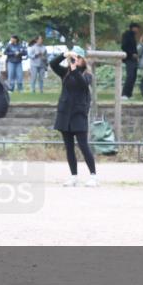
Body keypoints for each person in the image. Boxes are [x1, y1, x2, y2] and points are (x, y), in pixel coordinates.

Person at [49, 47, 97, 187]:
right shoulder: (65, 73)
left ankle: (93, 176)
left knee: (83, 146)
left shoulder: (87, 75)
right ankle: (73, 176)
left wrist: (75, 69)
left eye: (79, 58)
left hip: (78, 115)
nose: (76, 60)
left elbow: (82, 84)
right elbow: (52, 64)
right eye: (74, 58)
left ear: (84, 60)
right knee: (69, 147)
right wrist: (65, 54)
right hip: (65, 115)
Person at [121, 23, 141, 100]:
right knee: (130, 76)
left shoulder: (133, 36)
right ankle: (124, 94)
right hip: (129, 58)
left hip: (134, 59)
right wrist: (132, 54)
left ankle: (129, 94)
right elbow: (124, 46)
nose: (138, 30)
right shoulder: (127, 35)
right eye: (137, 28)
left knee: (134, 76)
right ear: (133, 28)